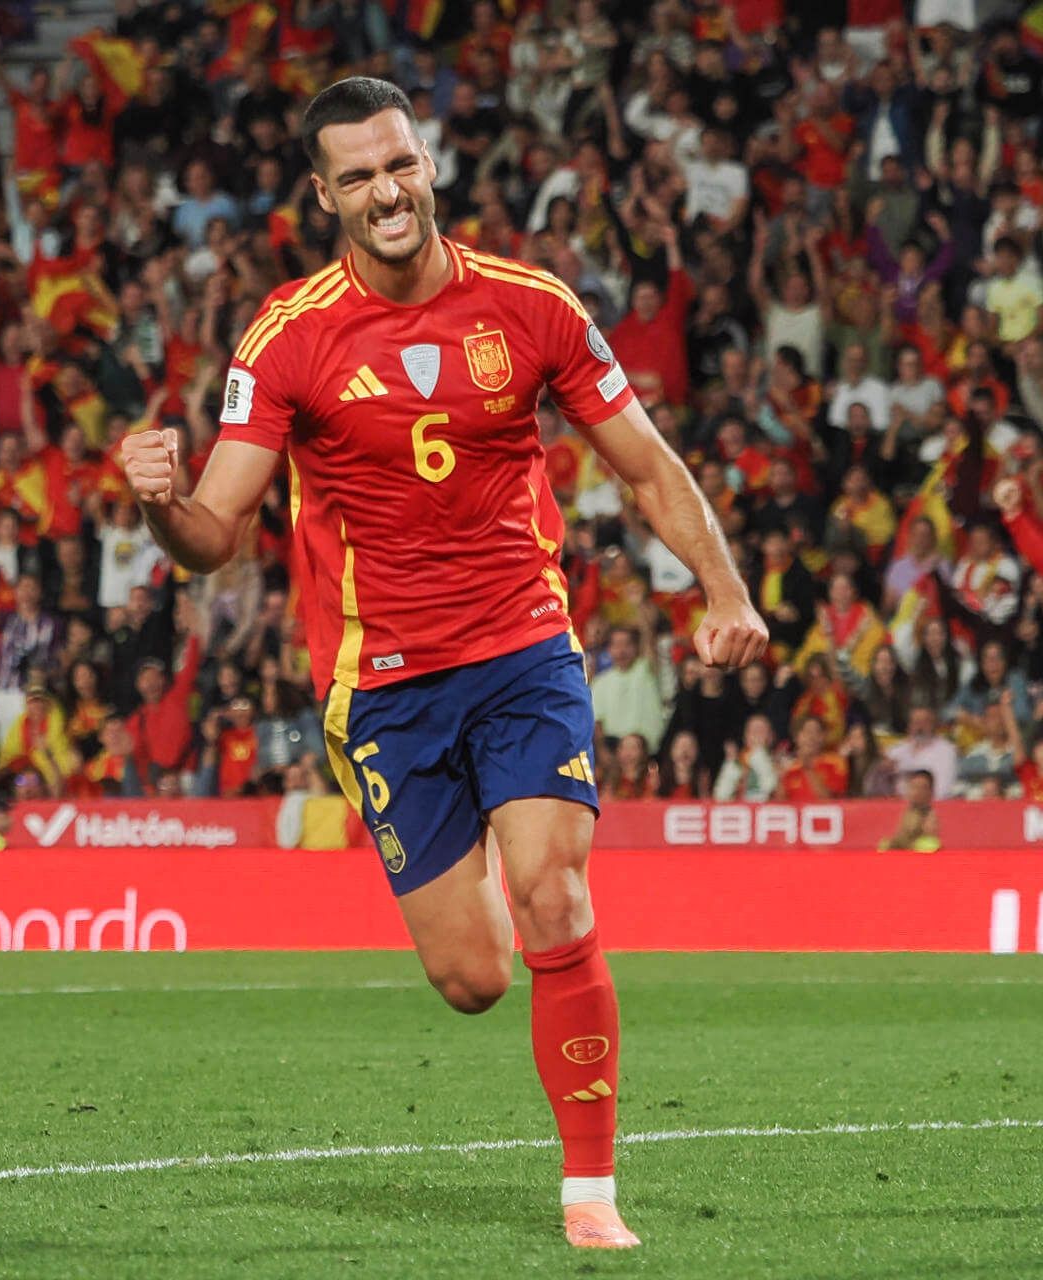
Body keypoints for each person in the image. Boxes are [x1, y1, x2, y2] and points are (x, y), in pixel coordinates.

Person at [118, 77, 767, 1250]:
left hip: (522, 643)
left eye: (401, 164)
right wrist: (162, 507)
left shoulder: (531, 305)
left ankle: (590, 1193)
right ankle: (505, 900)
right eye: (358, 175)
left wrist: (724, 587)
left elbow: (646, 462)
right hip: (384, 682)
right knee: (472, 976)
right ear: (324, 194)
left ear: (430, 167)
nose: (387, 190)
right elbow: (215, 537)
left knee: (558, 891)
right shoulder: (287, 337)